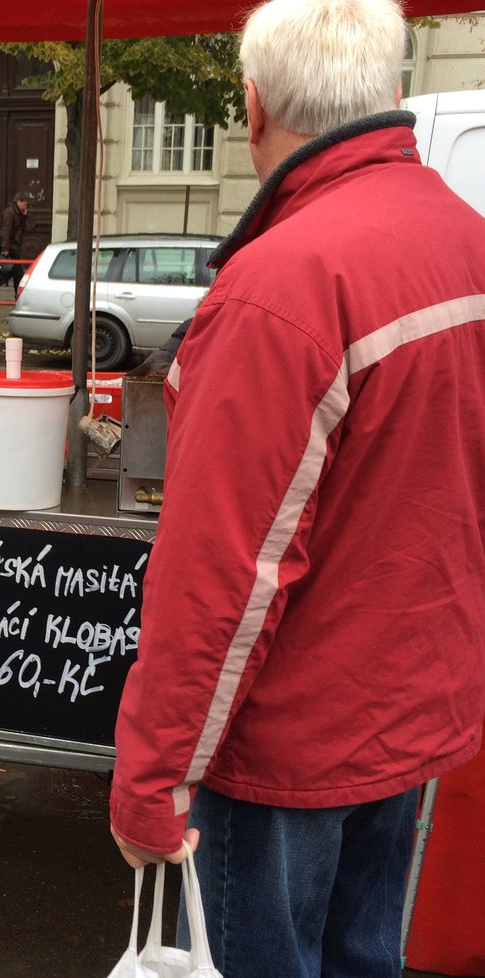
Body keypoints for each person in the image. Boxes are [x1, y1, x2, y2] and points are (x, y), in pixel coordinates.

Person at [109, 1, 485, 976]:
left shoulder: (282, 287)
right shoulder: (466, 240)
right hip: (409, 719)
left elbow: (223, 578)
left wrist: (152, 780)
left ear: (253, 104)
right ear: (390, 91)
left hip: (289, 750)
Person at [0, 192, 28, 300]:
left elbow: (23, 229)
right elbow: (5, 231)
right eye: (25, 204)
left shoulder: (17, 213)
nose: (26, 207)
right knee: (18, 273)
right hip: (11, 247)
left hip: (14, 246)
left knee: (13, 271)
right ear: (19, 201)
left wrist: (24, 217)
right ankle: (18, 297)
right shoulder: (10, 212)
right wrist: (5, 248)